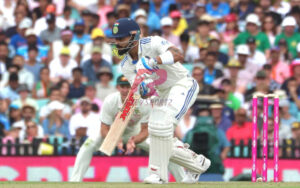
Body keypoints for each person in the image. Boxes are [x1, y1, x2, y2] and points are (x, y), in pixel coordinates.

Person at [111, 18, 210, 184]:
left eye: (121, 39)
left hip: (183, 84)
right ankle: (197, 163)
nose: (117, 43)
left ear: (133, 36)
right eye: (116, 40)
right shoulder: (126, 65)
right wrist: (145, 87)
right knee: (155, 129)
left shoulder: (153, 42)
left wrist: (152, 62)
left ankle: (158, 174)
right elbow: (143, 93)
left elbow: (178, 54)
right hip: (162, 94)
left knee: (164, 123)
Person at [70, 75, 186, 182]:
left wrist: (133, 140)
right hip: (112, 131)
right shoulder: (110, 100)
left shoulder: (143, 102)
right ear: (117, 87)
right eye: (122, 87)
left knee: (164, 147)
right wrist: (115, 138)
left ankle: (183, 181)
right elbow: (104, 128)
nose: (125, 90)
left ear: (133, 88)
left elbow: (145, 130)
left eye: (128, 87)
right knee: (87, 146)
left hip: (134, 132)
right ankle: (74, 182)